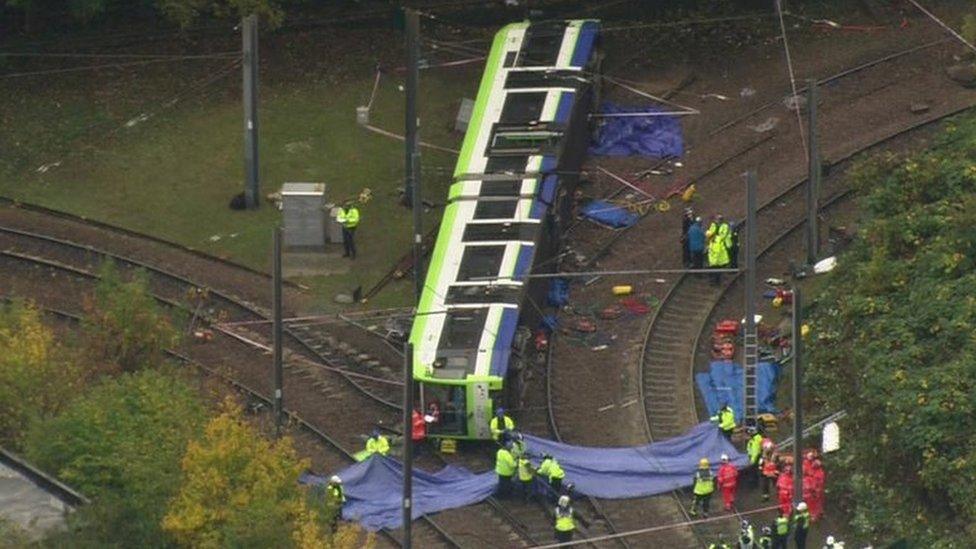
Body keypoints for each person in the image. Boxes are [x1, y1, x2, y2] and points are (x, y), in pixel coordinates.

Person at [706, 214, 731, 285]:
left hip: (720, 249)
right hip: (714, 249)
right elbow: (710, 233)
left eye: (719, 219)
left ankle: (717, 280)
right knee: (713, 267)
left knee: (718, 267)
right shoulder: (713, 225)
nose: (717, 221)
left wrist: (714, 236)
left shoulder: (724, 226)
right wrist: (709, 235)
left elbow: (723, 235)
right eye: (716, 219)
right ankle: (713, 280)